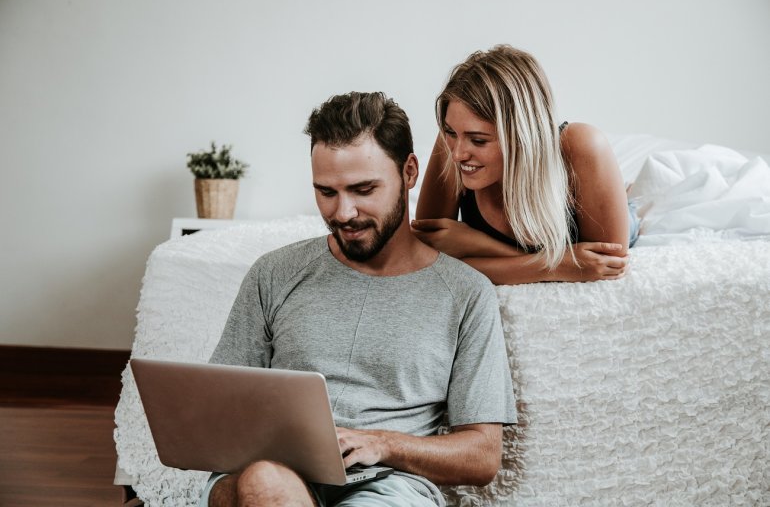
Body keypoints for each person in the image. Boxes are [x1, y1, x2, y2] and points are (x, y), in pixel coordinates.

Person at [200, 92, 517, 507]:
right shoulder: (275, 273)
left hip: (388, 485)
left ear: (409, 172)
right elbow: (217, 406)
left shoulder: (465, 293)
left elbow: (482, 455)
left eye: (363, 189)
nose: (344, 213)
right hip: (270, 474)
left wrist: (381, 444)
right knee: (263, 482)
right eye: (326, 192)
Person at [411, 45, 640, 285]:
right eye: (450, 132)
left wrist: (477, 244)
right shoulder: (454, 141)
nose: (457, 154)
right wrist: (558, 265)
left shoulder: (582, 145)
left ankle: (625, 192)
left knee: (630, 214)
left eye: (478, 140)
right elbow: (426, 260)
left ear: (522, 135)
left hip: (601, 209)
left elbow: (605, 264)